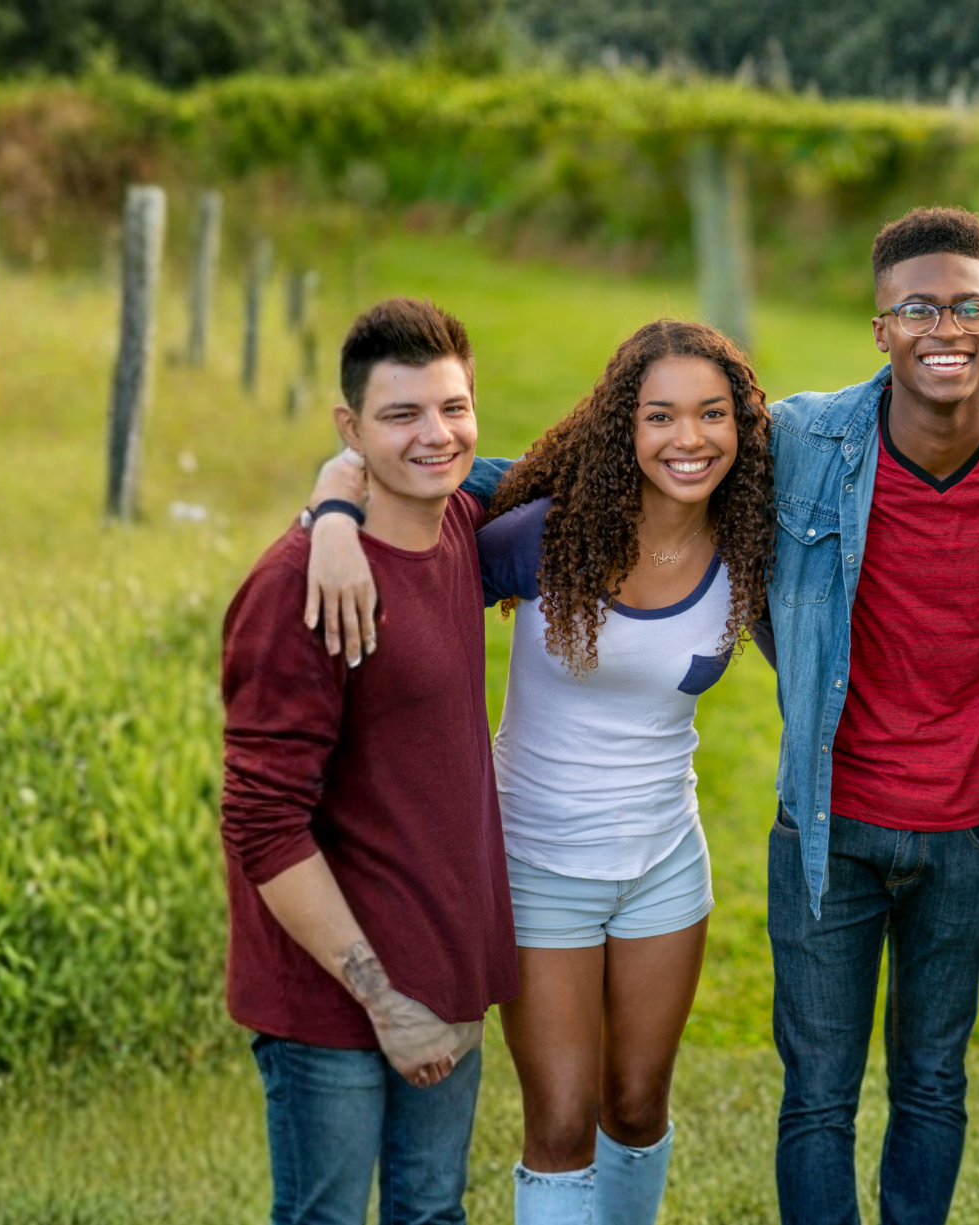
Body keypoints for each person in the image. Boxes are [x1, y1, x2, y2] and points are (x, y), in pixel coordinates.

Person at [299, 319, 776, 1225]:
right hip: (538, 867)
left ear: (742, 427)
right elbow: (418, 488)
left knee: (636, 1104)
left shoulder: (751, 540)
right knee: (560, 1123)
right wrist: (331, 512)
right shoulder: (544, 537)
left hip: (666, 865)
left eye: (713, 413)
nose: (689, 438)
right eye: (660, 415)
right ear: (621, 428)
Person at [762, 206, 979, 1225]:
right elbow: (624, 462)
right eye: (917, 309)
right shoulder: (802, 440)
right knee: (818, 1092)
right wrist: (349, 492)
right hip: (828, 824)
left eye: (968, 308)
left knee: (933, 1081)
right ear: (880, 328)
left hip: (967, 831)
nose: (944, 329)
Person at [217, 297, 516, 1225]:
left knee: (432, 1213)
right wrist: (386, 1002)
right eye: (401, 415)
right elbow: (262, 824)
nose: (437, 435)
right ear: (350, 428)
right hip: (335, 1000)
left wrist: (337, 502)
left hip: (444, 964)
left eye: (454, 407)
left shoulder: (463, 517)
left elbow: (595, 459)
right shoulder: (298, 588)